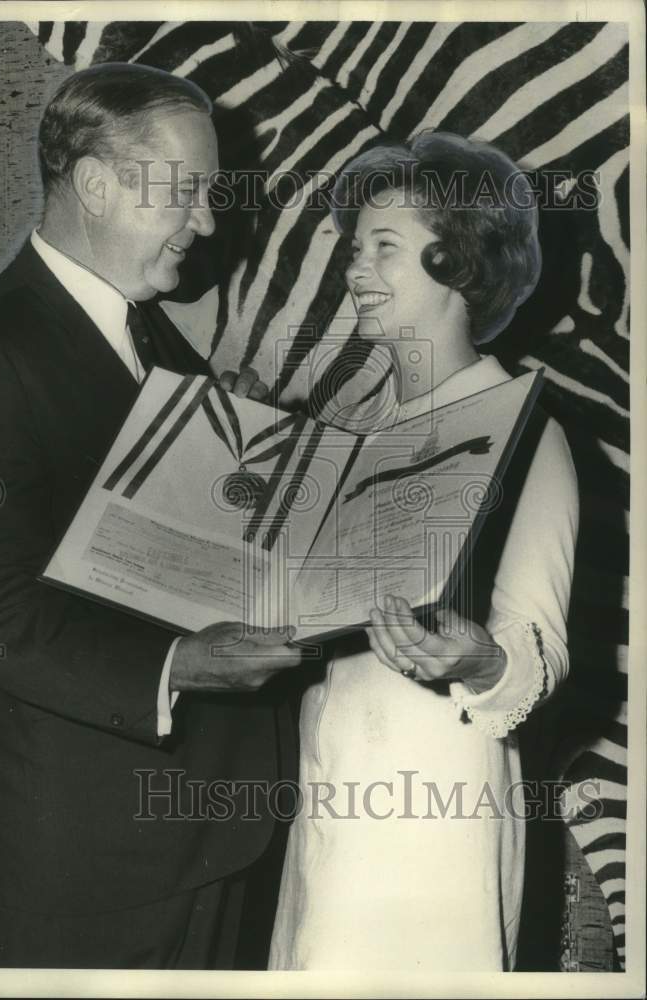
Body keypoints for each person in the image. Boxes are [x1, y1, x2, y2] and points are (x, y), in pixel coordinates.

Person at [0, 63, 301, 969]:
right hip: (88, 863)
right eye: (187, 193)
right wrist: (178, 663)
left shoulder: (151, 337)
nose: (205, 222)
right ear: (94, 185)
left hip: (206, 834)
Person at [269, 133, 579, 971]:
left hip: (435, 798)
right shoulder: (350, 435)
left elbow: (538, 652)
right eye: (352, 246)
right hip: (331, 776)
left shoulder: (524, 430)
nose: (354, 269)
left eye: (384, 248)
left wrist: (474, 656)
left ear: (460, 265)